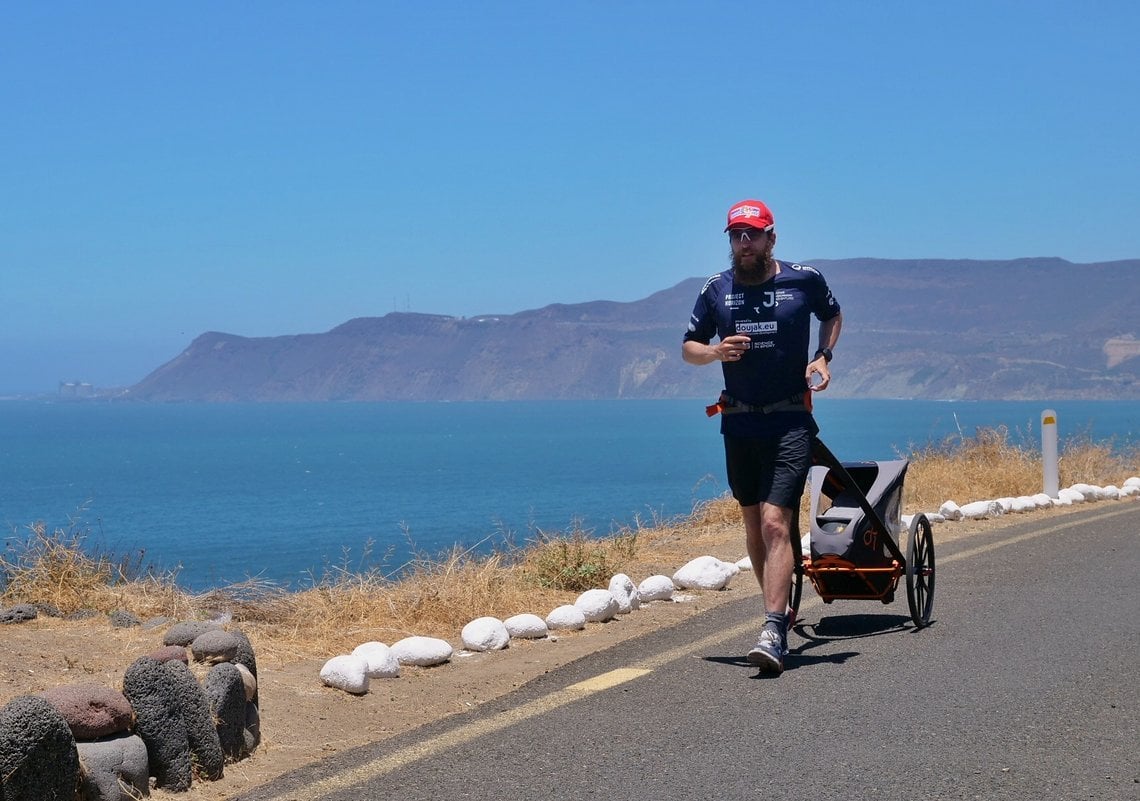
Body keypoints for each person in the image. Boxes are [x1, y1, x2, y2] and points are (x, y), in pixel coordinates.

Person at [682, 198, 843, 674]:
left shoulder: (803, 278)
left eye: (752, 234)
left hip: (790, 419)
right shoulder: (716, 288)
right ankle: (779, 610)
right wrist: (714, 353)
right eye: (736, 235)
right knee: (754, 524)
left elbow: (832, 314)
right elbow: (688, 349)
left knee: (776, 522)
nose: (743, 242)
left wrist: (822, 357)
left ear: (772, 237)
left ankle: (773, 627)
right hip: (739, 422)